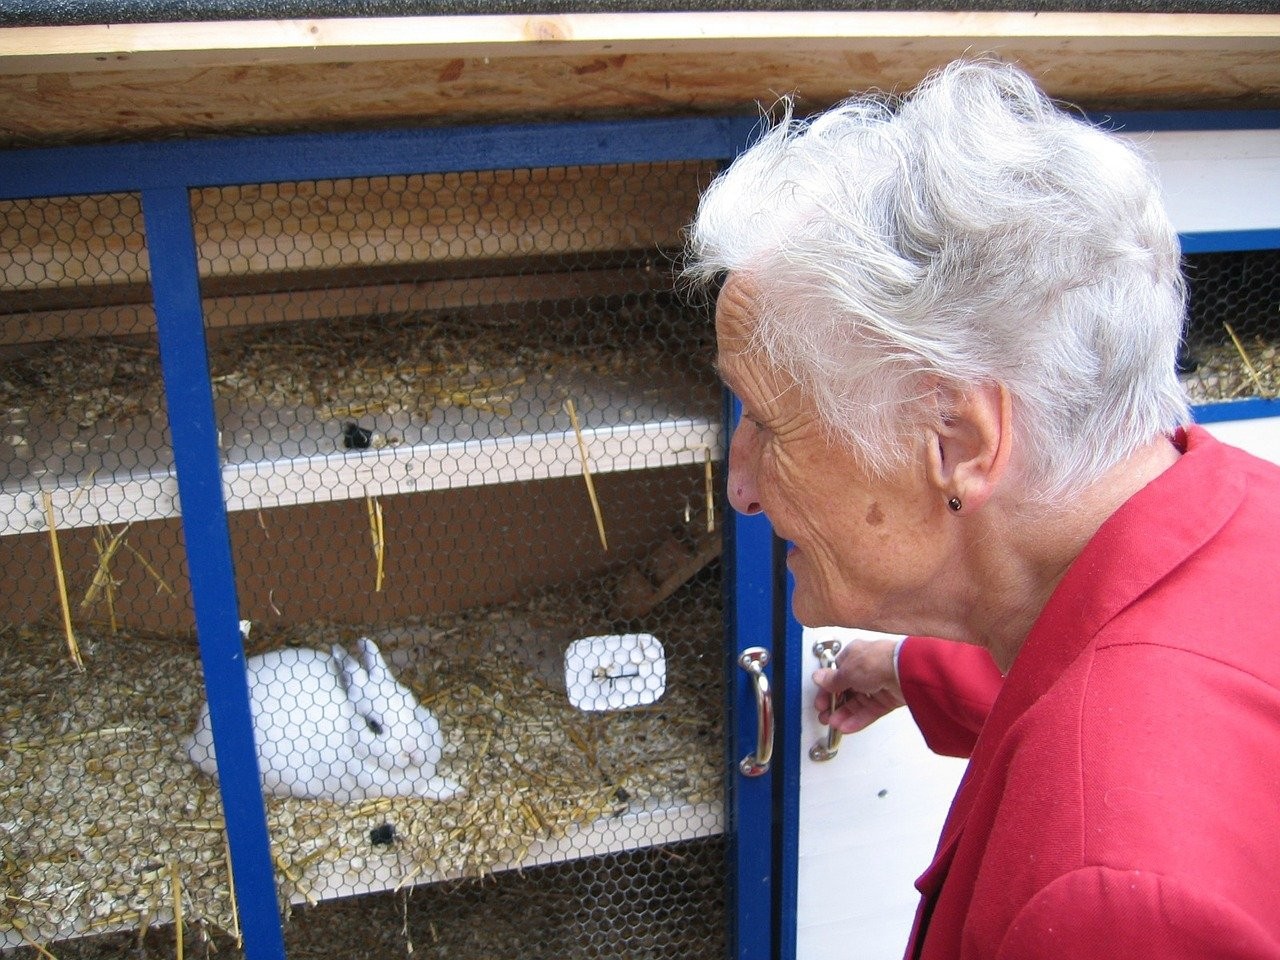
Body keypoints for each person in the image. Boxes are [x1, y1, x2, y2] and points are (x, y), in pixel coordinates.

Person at [685, 59, 1280, 958]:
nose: (742, 485)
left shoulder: (1107, 904)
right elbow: (1093, 645)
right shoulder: (1234, 512)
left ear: (958, 442)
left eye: (770, 423)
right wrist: (913, 670)